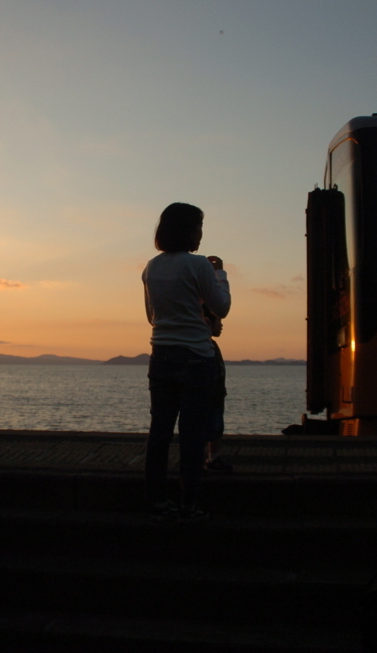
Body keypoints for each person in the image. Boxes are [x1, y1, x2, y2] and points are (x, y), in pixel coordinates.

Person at [142, 203, 230, 521]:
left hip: (161, 355)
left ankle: (156, 500)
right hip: (196, 356)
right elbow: (222, 307)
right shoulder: (200, 266)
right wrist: (220, 274)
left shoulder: (151, 267)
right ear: (189, 231)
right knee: (192, 435)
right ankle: (189, 504)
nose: (201, 233)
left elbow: (151, 316)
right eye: (199, 227)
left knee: (160, 432)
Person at [202, 305, 232, 473]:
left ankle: (212, 458)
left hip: (217, 394)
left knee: (215, 427)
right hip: (211, 395)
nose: (221, 325)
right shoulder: (206, 346)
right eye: (218, 321)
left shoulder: (210, 345)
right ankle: (210, 459)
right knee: (212, 426)